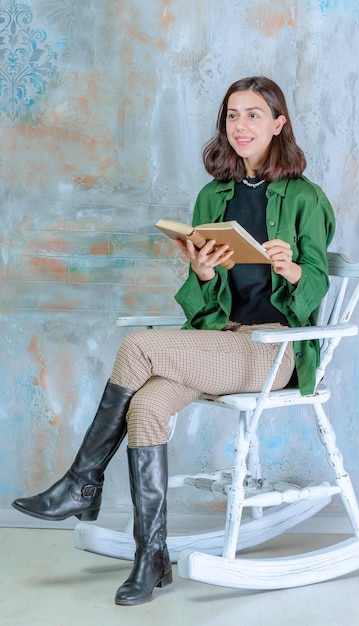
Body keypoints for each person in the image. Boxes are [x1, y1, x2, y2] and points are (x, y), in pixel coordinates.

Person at [12, 76, 335, 605]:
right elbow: (202, 301)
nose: (241, 125)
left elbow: (318, 280)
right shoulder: (213, 196)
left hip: (271, 350)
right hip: (219, 343)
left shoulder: (305, 197)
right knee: (145, 409)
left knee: (139, 346)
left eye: (255, 114)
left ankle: (80, 483)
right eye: (232, 115)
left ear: (279, 124)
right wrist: (205, 273)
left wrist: (294, 270)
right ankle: (151, 556)